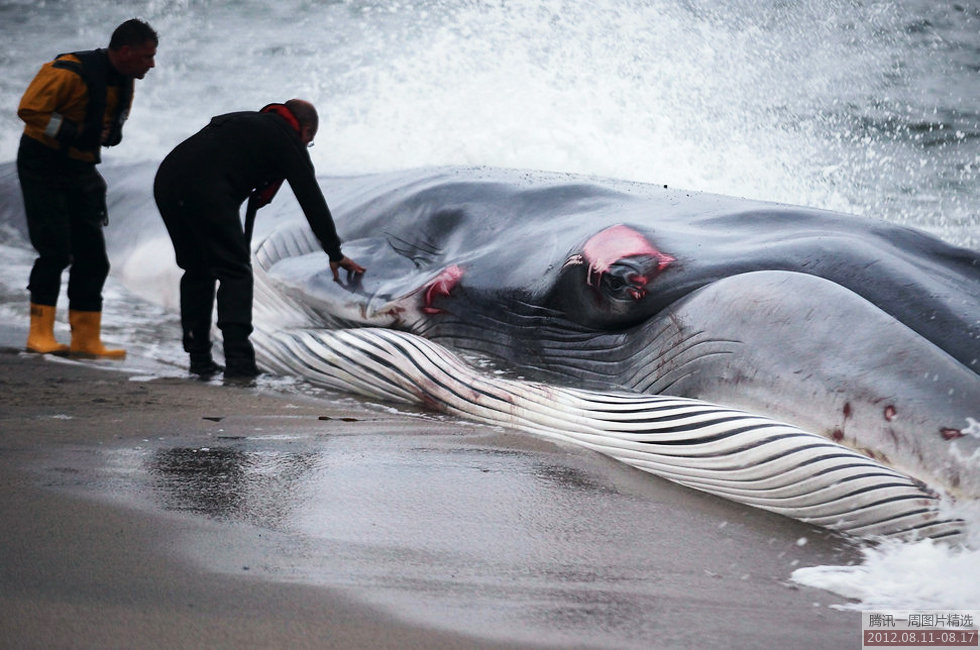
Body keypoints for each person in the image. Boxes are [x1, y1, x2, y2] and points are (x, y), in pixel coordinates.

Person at [154, 99, 365, 379]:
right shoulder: (286, 138)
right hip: (205, 190)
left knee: (198, 270)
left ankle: (199, 359)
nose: (305, 147)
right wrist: (334, 252)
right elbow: (310, 197)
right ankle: (240, 364)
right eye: (309, 142)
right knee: (235, 272)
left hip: (167, 180)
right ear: (305, 130)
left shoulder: (249, 124)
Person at [17, 18, 158, 359]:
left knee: (94, 258)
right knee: (55, 251)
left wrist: (108, 135)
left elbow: (108, 127)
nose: (151, 64)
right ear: (125, 52)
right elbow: (30, 110)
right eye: (146, 57)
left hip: (81, 168)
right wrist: (71, 131)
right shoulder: (68, 71)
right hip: (42, 163)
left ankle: (86, 339)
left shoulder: (125, 80)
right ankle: (40, 333)